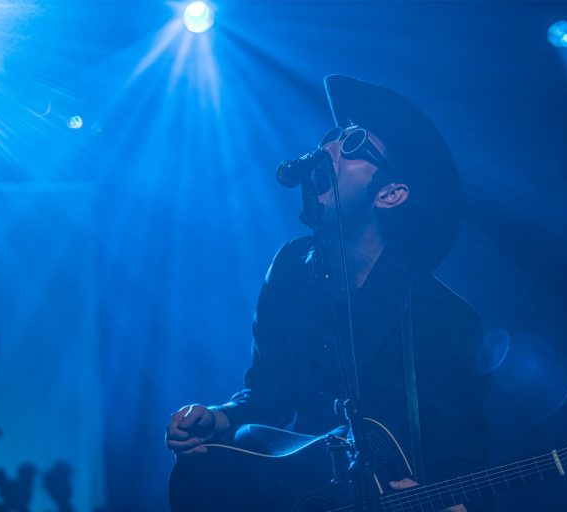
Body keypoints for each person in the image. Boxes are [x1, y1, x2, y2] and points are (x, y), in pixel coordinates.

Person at [166, 75, 489, 511]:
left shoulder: (444, 319)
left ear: (391, 194)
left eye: (354, 144)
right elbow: (268, 397)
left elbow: (470, 463)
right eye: (332, 137)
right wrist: (220, 419)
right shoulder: (289, 270)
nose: (329, 148)